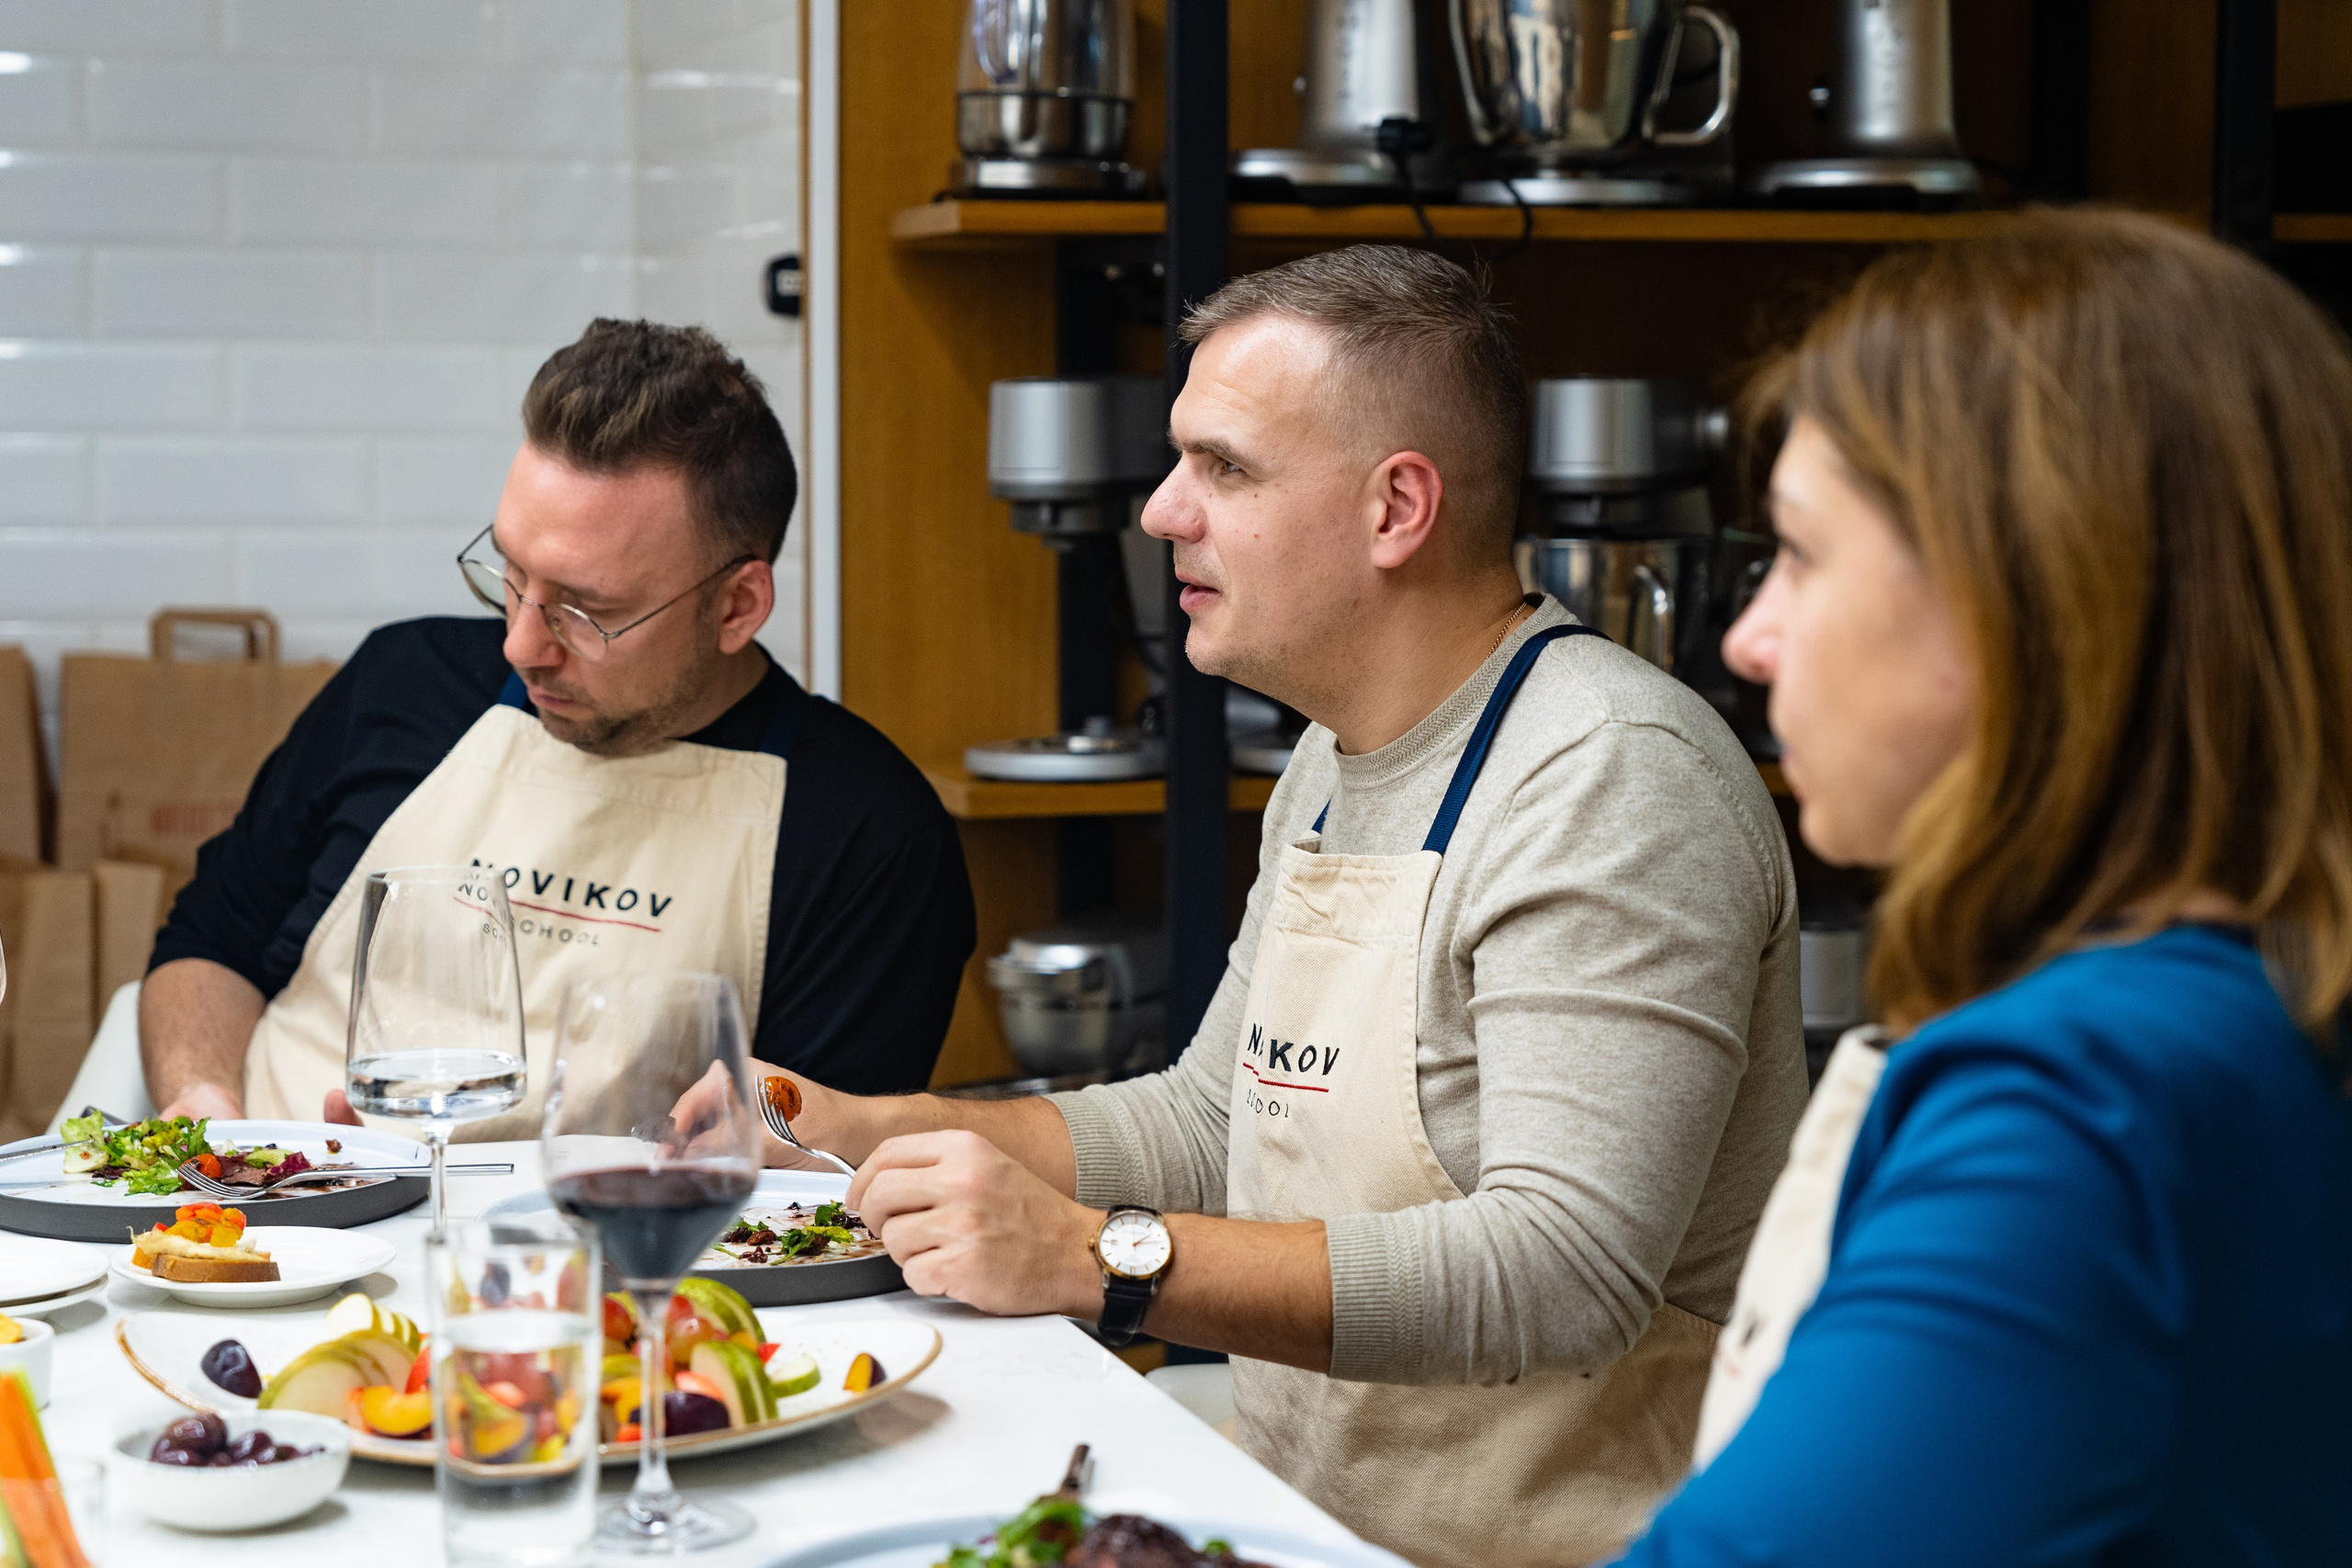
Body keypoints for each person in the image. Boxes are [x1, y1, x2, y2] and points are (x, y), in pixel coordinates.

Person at [742, 247, 1808, 1568]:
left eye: (1224, 467)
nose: (1161, 511)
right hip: (1289, 1516)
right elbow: (1208, 1123)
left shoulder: (1611, 775)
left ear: (1395, 508)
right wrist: (864, 1126)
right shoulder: (1335, 748)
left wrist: (1100, 1259)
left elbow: (1561, 1270)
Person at [1610, 211, 2352, 1565]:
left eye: (1800, 553)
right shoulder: (2250, 993)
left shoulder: (2084, 1093)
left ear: (2031, 593)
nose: (1746, 636)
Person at [141, 320, 976, 1137]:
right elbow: (210, 943)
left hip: (590, 1266)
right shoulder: (402, 684)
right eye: (510, 574)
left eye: (586, 611)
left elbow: (811, 1183)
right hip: (259, 1221)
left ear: (737, 606)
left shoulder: (867, 834)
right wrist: (204, 1108)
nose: (521, 644)